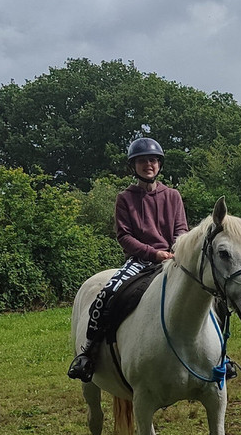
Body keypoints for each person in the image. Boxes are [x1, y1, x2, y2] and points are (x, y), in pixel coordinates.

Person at [68, 137, 189, 381]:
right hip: (140, 261)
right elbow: (124, 236)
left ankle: (220, 356)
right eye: (143, 161)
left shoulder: (173, 195)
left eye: (153, 160)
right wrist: (152, 252)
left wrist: (176, 249)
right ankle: (87, 353)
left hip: (173, 259)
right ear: (133, 166)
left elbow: (181, 229)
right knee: (108, 293)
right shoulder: (125, 198)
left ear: (160, 164)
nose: (149, 165)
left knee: (206, 291)